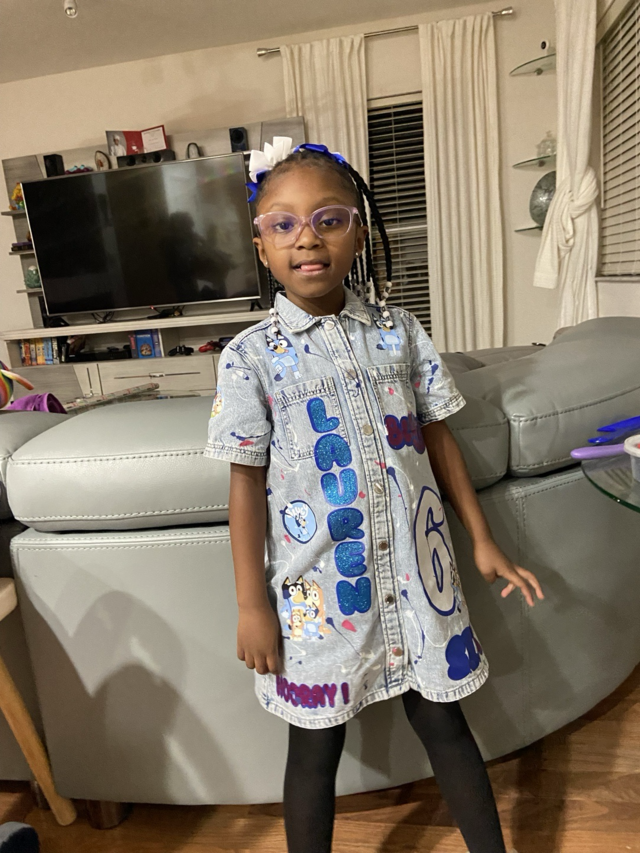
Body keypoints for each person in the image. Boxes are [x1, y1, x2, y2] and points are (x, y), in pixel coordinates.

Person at [204, 139, 544, 853]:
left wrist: (482, 539)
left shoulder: (400, 332)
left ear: (357, 233)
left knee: (445, 722)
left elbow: (437, 439)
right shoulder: (249, 358)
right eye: (283, 224)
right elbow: (246, 482)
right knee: (314, 747)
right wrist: (250, 603)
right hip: (318, 596)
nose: (307, 239)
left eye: (327, 219)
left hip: (420, 582)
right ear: (261, 244)